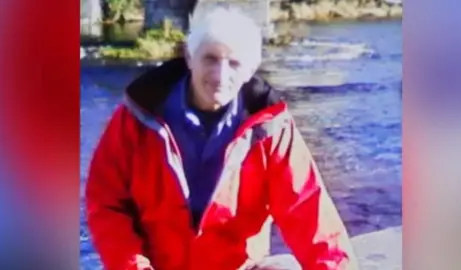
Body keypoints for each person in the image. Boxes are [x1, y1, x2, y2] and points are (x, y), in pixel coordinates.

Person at [85, 7, 358, 270]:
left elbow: (308, 209)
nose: (220, 75)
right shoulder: (139, 116)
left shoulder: (270, 129)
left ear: (251, 70)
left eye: (234, 63)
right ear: (190, 58)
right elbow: (106, 201)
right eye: (210, 58)